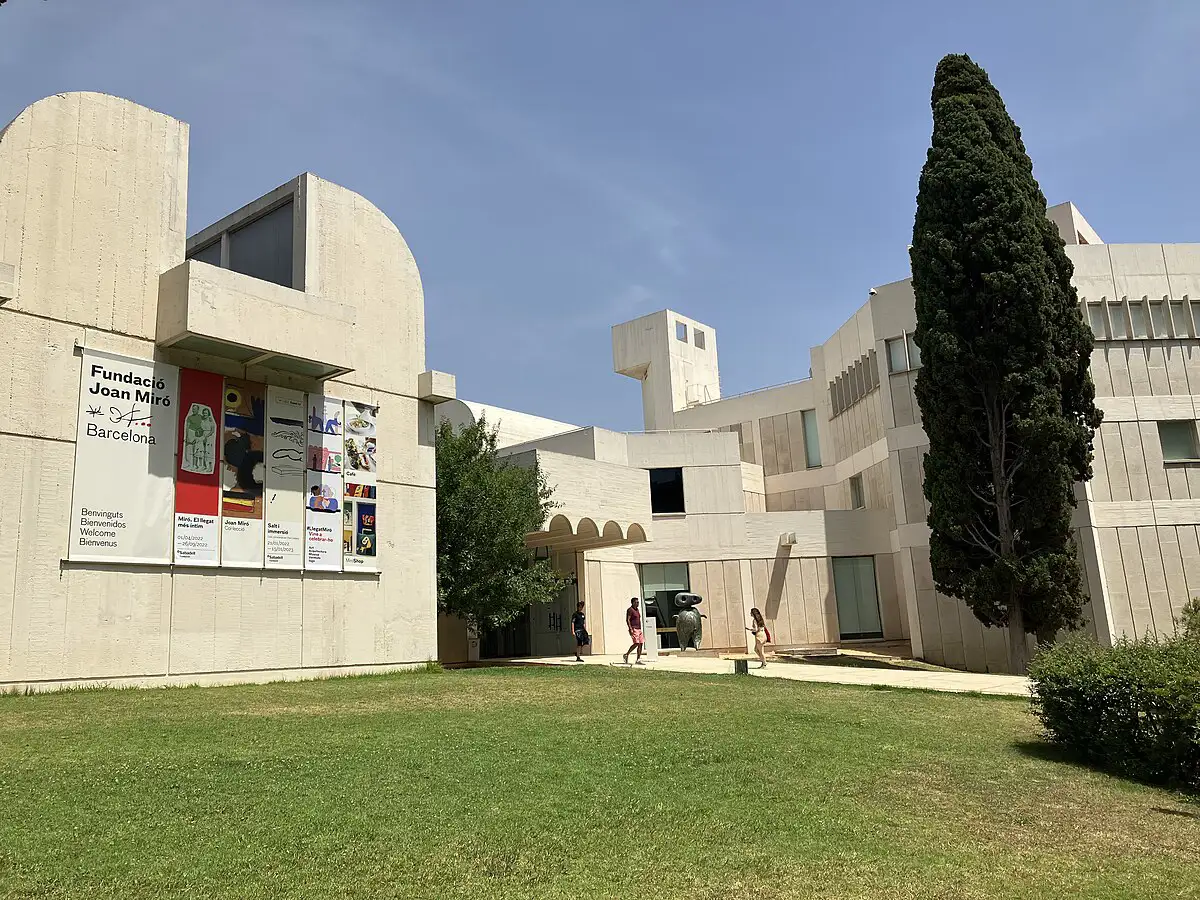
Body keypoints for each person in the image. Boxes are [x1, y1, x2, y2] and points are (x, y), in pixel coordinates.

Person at [623, 597, 645, 665]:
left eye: (638, 602)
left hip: (639, 628)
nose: (637, 603)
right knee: (636, 643)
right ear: (632, 603)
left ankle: (638, 659)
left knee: (641, 643)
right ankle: (626, 654)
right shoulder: (630, 610)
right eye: (636, 602)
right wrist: (630, 628)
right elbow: (628, 619)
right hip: (634, 628)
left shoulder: (637, 610)